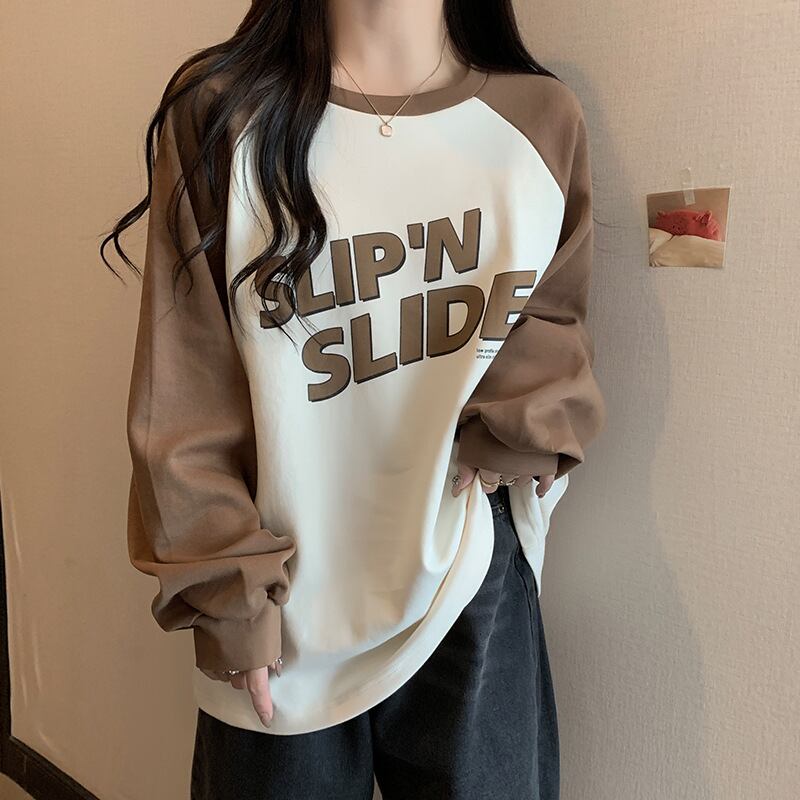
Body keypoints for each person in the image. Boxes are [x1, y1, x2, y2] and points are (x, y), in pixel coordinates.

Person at [101, 1, 606, 797]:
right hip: (280, 596)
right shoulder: (224, 113)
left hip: (468, 576)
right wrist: (227, 591)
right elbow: (184, 388)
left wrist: (525, 424)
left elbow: (553, 309)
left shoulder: (540, 118)